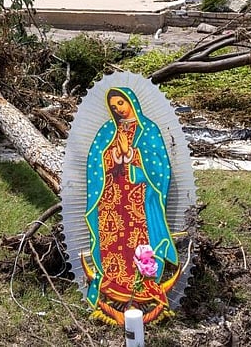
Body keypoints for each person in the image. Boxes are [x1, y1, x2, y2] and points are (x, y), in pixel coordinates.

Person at [82, 87, 179, 324]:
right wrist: (114, 156)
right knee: (112, 241)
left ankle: (142, 285)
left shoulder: (149, 130)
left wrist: (132, 154)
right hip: (112, 197)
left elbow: (159, 167)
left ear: (131, 102)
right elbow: (95, 161)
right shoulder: (108, 130)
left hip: (137, 197)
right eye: (113, 106)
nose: (117, 109)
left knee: (137, 241)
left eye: (120, 103)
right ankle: (114, 283)